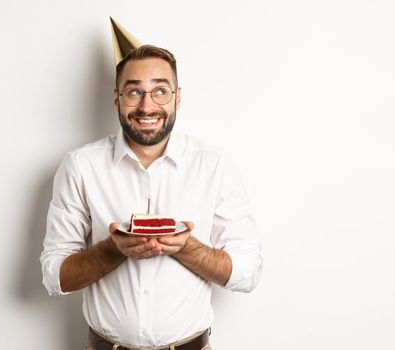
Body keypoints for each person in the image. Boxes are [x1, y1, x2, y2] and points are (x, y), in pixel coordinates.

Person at [40, 44, 262, 350]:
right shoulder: (80, 166)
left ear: (177, 98)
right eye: (134, 92)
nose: (147, 106)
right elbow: (55, 277)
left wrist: (187, 248)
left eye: (160, 91)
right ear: (116, 99)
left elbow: (248, 272)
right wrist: (113, 250)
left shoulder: (215, 166)